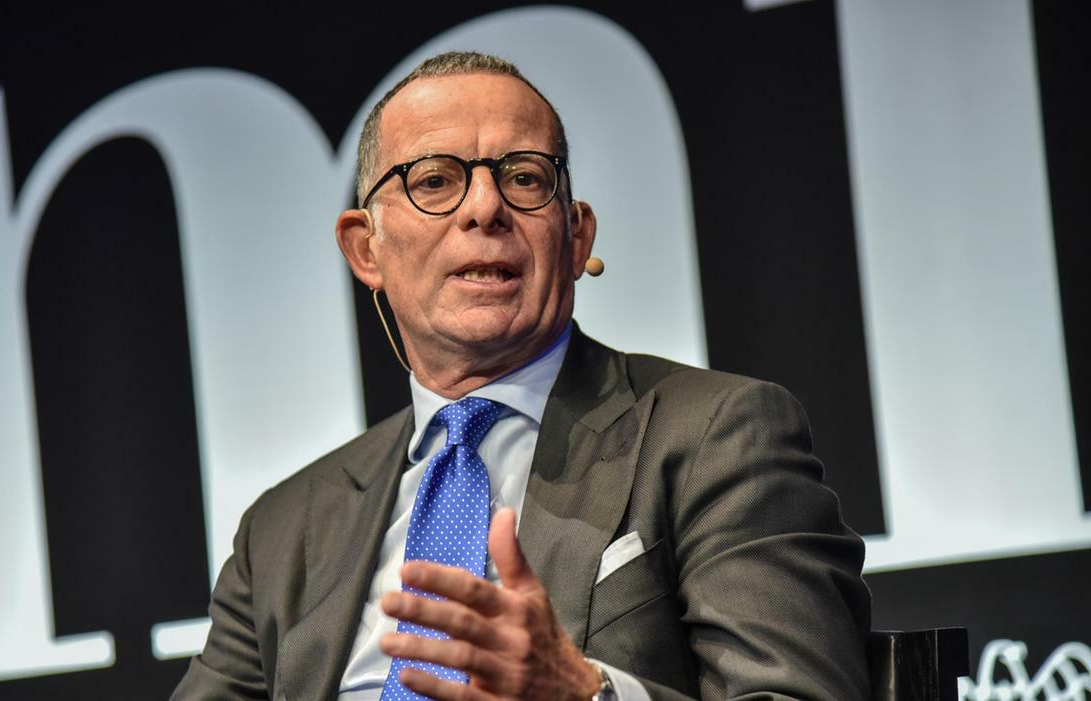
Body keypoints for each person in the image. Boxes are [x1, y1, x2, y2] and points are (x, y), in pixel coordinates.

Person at [172, 52, 871, 701]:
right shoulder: (282, 530)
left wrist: (586, 694)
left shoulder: (718, 437)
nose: (485, 208)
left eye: (524, 178)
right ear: (366, 250)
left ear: (576, 235)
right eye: (435, 180)